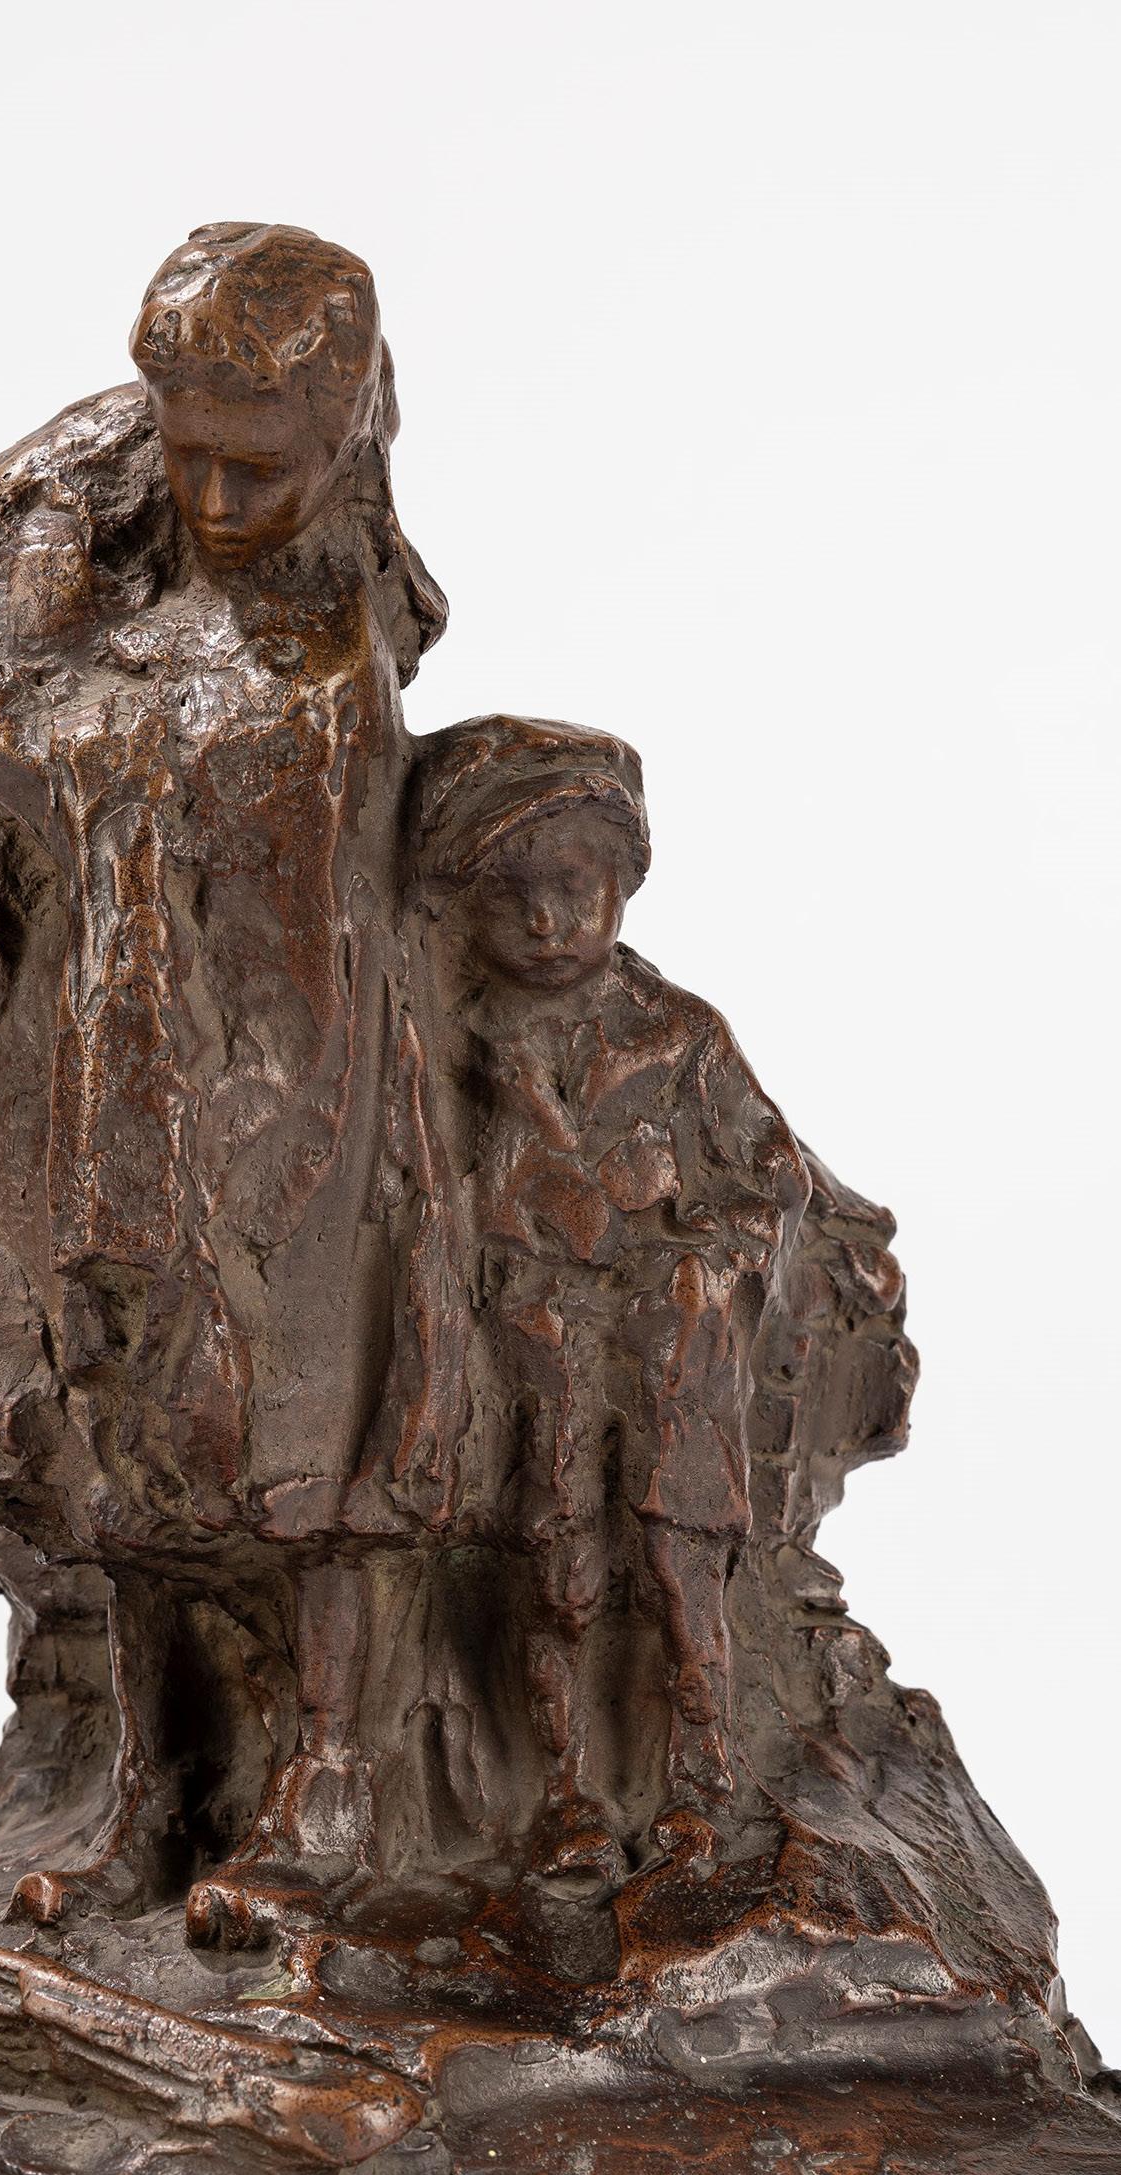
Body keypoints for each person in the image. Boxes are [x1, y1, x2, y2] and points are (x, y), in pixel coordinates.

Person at [0, 225, 464, 1934]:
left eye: (257, 467)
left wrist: (16, 611)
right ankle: (147, 1782)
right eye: (185, 453)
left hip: (287, 1090)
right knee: (114, 1439)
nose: (213, 497)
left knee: (305, 1446)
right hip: (96, 1064)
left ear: (347, 434)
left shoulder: (311, 658)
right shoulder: (135, 585)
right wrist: (95, 464)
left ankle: (332, 1781)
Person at [409, 717, 813, 1876]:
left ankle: (704, 1774)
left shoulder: (679, 1041)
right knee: (556, 1569)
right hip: (533, 1357)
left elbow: (770, 1184)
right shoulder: (449, 1044)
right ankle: (564, 1794)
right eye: (514, 897)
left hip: (669, 1355)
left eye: (574, 890)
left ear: (622, 886)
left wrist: (695, 1255)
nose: (547, 922)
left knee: (681, 1571)